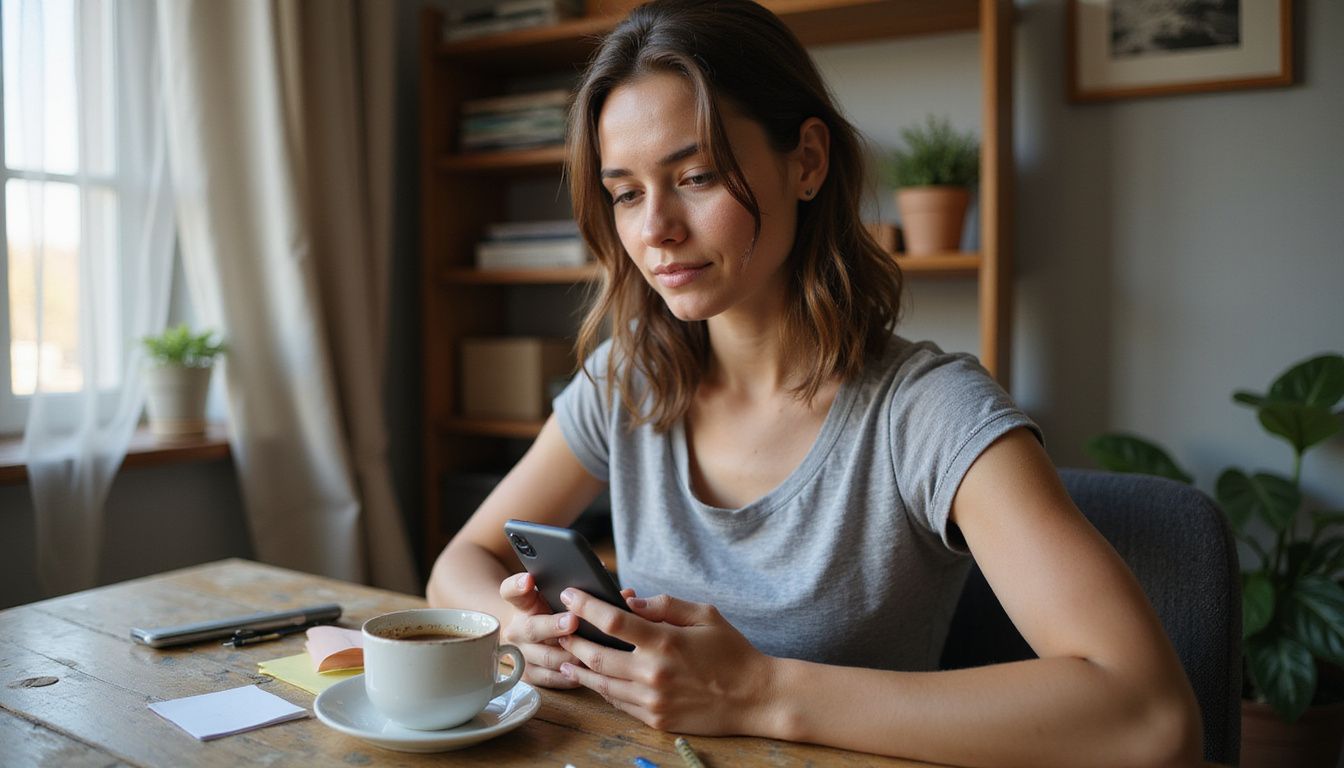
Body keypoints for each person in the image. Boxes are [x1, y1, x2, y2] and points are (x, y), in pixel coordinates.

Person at [428, 1, 1201, 765]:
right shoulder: (629, 378)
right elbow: (459, 563)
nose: (655, 228)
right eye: (626, 192)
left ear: (807, 161)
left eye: (695, 176)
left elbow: (1151, 716)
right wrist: (517, 626)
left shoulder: (928, 412)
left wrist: (759, 691)